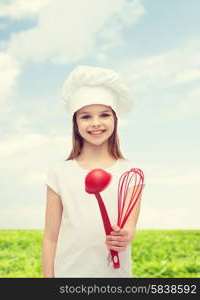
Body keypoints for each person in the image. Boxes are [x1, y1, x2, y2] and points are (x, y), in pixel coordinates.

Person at [42, 65, 146, 278]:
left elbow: (129, 227)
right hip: (69, 273)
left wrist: (124, 236)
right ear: (75, 122)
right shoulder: (59, 172)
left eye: (105, 115)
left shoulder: (130, 173)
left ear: (115, 120)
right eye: (86, 116)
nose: (96, 123)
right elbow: (51, 237)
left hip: (114, 274)